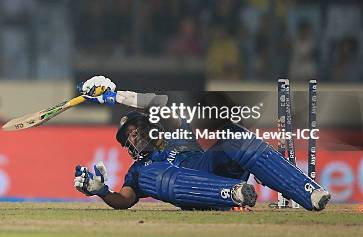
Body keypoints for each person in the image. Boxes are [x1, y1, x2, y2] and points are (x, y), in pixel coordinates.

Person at [73, 76, 331, 211]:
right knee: (149, 174)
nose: (132, 138)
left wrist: (115, 95)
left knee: (234, 134)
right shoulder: (139, 169)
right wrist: (101, 191)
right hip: (191, 193)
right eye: (126, 138)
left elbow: (160, 102)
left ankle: (308, 192)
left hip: (210, 168)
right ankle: (234, 194)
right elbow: (125, 200)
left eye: (133, 130)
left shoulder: (174, 128)